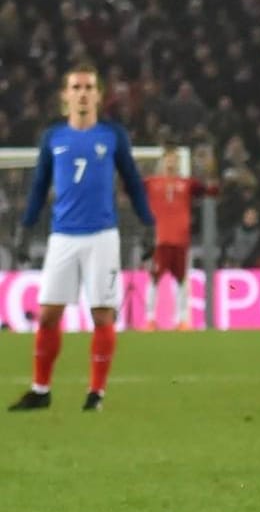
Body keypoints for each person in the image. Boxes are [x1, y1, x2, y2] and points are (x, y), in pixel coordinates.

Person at [10, 63, 155, 413]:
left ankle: (96, 394)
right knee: (47, 315)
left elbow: (133, 182)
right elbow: (39, 186)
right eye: (76, 87)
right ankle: (41, 390)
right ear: (65, 96)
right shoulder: (53, 138)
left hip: (102, 237)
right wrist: (26, 229)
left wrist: (149, 224)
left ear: (99, 95)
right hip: (63, 237)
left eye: (89, 87)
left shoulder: (113, 136)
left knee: (103, 316)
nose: (83, 93)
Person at [144, 145, 211, 331]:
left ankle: (182, 320)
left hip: (181, 240)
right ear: (162, 162)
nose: (171, 162)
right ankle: (150, 319)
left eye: (174, 159)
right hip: (159, 240)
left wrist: (206, 167)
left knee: (181, 281)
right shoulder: (151, 182)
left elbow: (207, 190)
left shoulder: (187, 183)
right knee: (154, 280)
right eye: (168, 159)